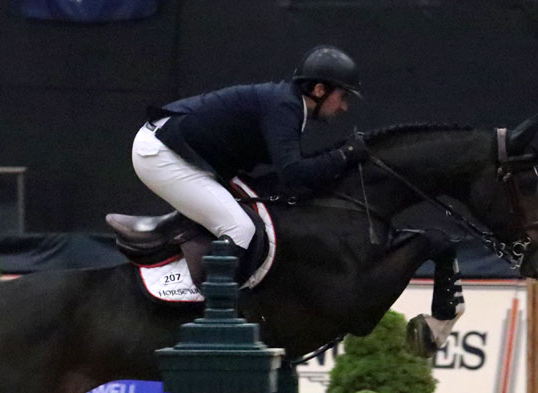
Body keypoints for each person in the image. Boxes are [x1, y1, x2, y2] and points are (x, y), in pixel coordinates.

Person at [130, 45, 369, 261]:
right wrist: (342, 156)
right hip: (163, 152)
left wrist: (339, 154)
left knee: (246, 219)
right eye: (343, 96)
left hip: (180, 150)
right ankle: (206, 303)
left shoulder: (289, 104)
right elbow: (293, 174)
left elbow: (296, 168)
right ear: (319, 89)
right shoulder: (285, 107)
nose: (344, 107)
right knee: (241, 230)